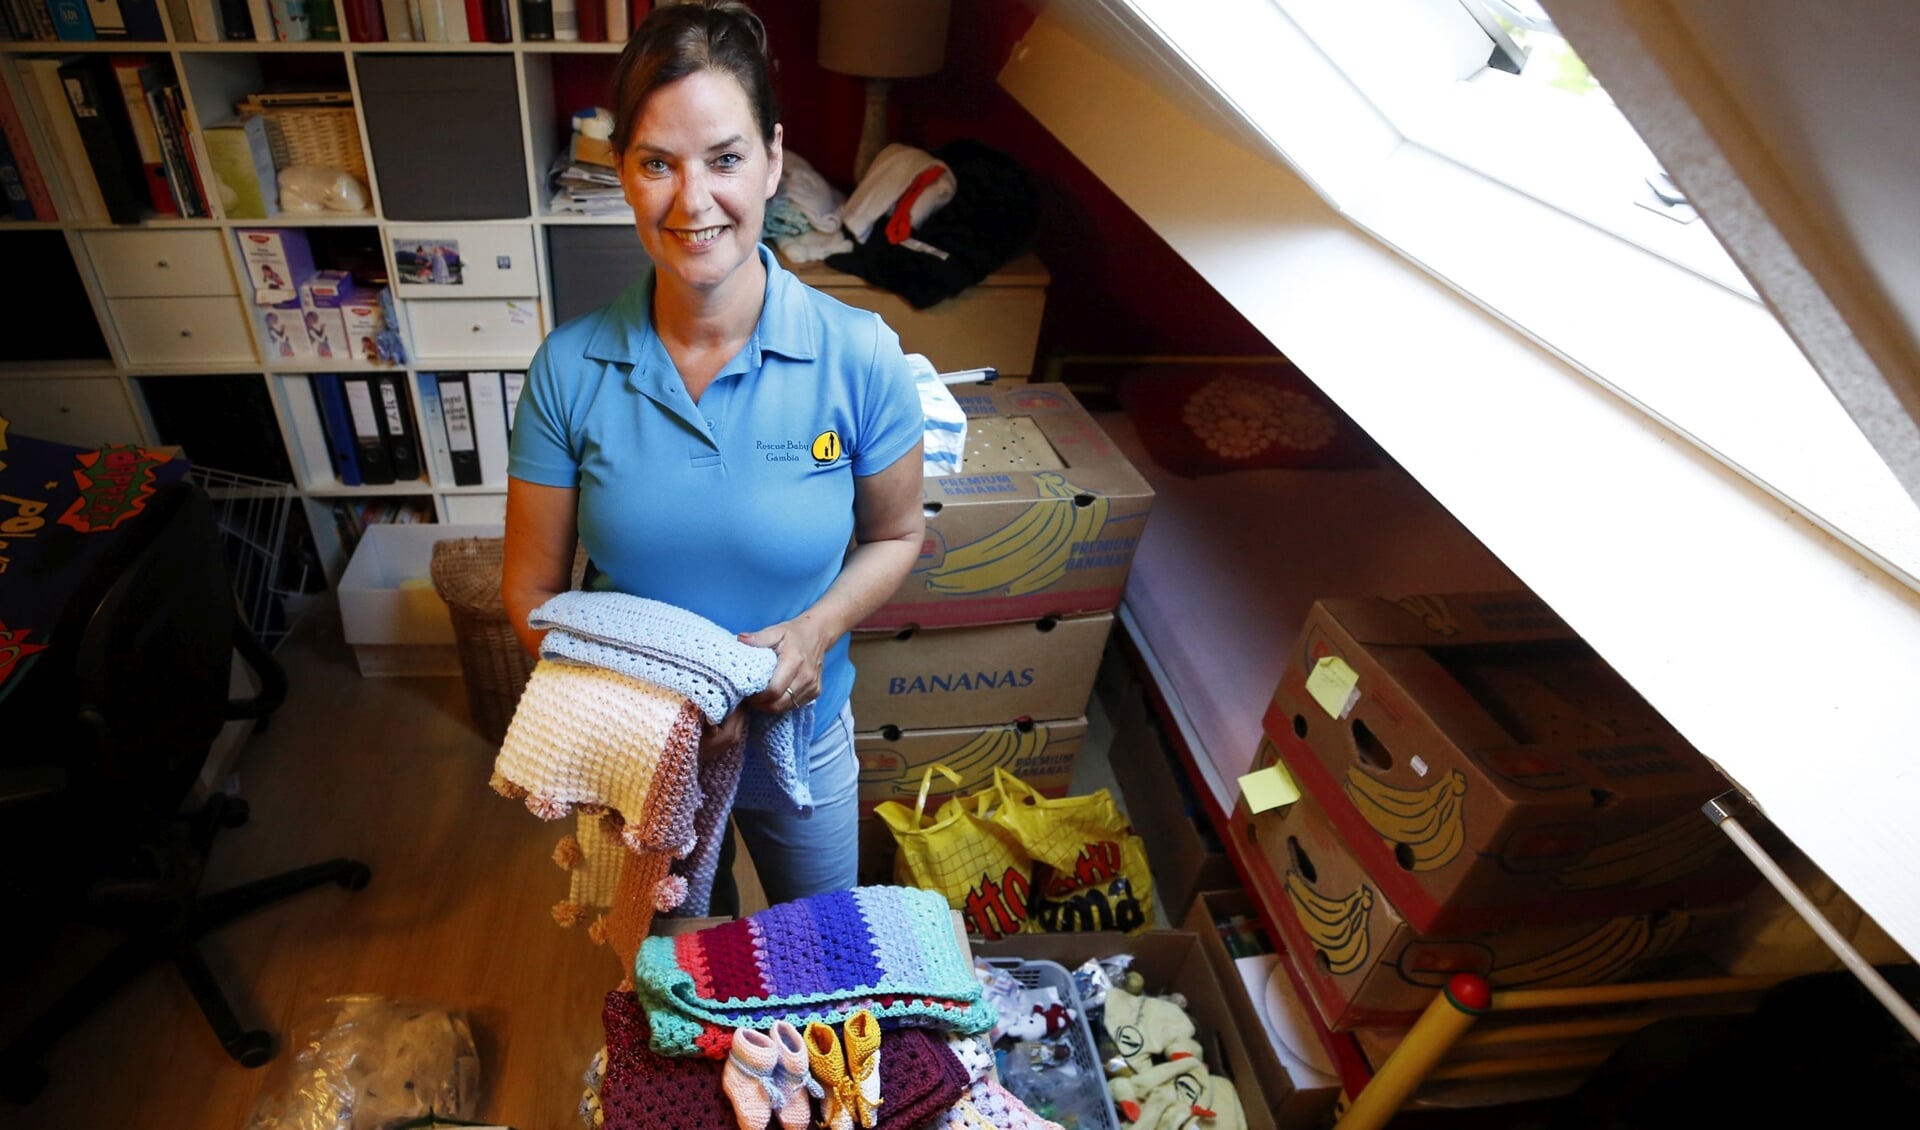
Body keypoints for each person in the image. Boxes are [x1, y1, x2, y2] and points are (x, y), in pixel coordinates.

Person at [502, 0, 924, 907]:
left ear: (774, 159)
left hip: (801, 735)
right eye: (658, 163)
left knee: (816, 970)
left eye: (726, 158)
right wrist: (667, 705)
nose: (694, 202)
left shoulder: (859, 356)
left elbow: (895, 536)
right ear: (621, 171)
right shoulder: (570, 368)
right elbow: (530, 595)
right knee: (675, 983)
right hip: (635, 744)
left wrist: (811, 635)